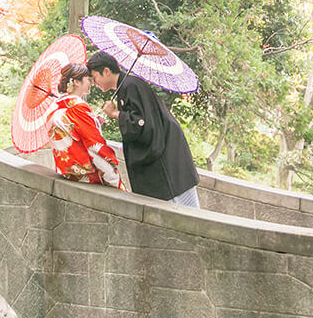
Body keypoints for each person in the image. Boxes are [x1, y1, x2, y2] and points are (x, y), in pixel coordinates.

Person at [86, 50, 201, 208]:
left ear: (106, 71)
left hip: (166, 159)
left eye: (94, 77)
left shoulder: (131, 86)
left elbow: (141, 124)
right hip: (168, 150)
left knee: (184, 211)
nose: (94, 82)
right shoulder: (126, 86)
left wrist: (115, 113)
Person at [48, 63, 124, 189]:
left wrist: (94, 122)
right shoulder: (78, 107)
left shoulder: (59, 105)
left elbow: (75, 132)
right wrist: (113, 176)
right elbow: (93, 145)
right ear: (77, 82)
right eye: (88, 79)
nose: (91, 83)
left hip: (68, 172)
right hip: (86, 175)